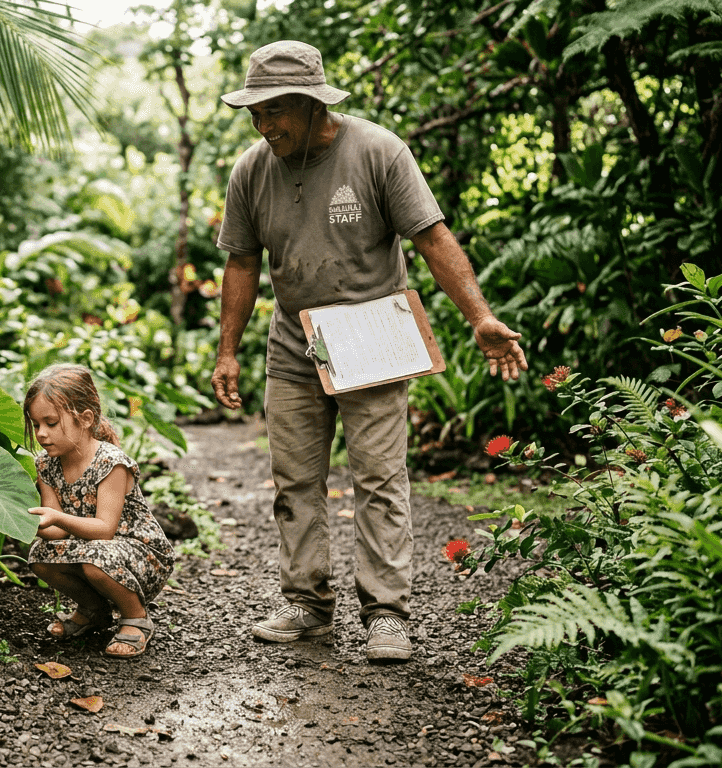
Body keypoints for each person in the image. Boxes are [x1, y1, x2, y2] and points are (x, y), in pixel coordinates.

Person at [211, 41, 527, 662]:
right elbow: (243, 262)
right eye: (255, 113)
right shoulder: (252, 169)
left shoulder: (379, 152)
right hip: (294, 340)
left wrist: (480, 316)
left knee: (379, 478)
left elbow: (432, 238)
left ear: (309, 103)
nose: (263, 124)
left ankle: (386, 613)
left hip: (374, 335)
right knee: (294, 479)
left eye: (274, 111)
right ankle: (306, 601)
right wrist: (228, 350)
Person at [24, 364, 174, 659]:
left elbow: (105, 529)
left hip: (140, 552)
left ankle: (136, 618)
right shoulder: (46, 465)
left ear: (86, 418)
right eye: (36, 424)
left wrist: (58, 518)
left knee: (96, 558)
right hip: (93, 548)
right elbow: (57, 530)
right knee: (39, 557)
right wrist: (31, 521)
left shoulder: (110, 462)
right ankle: (94, 611)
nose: (41, 434)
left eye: (51, 423)